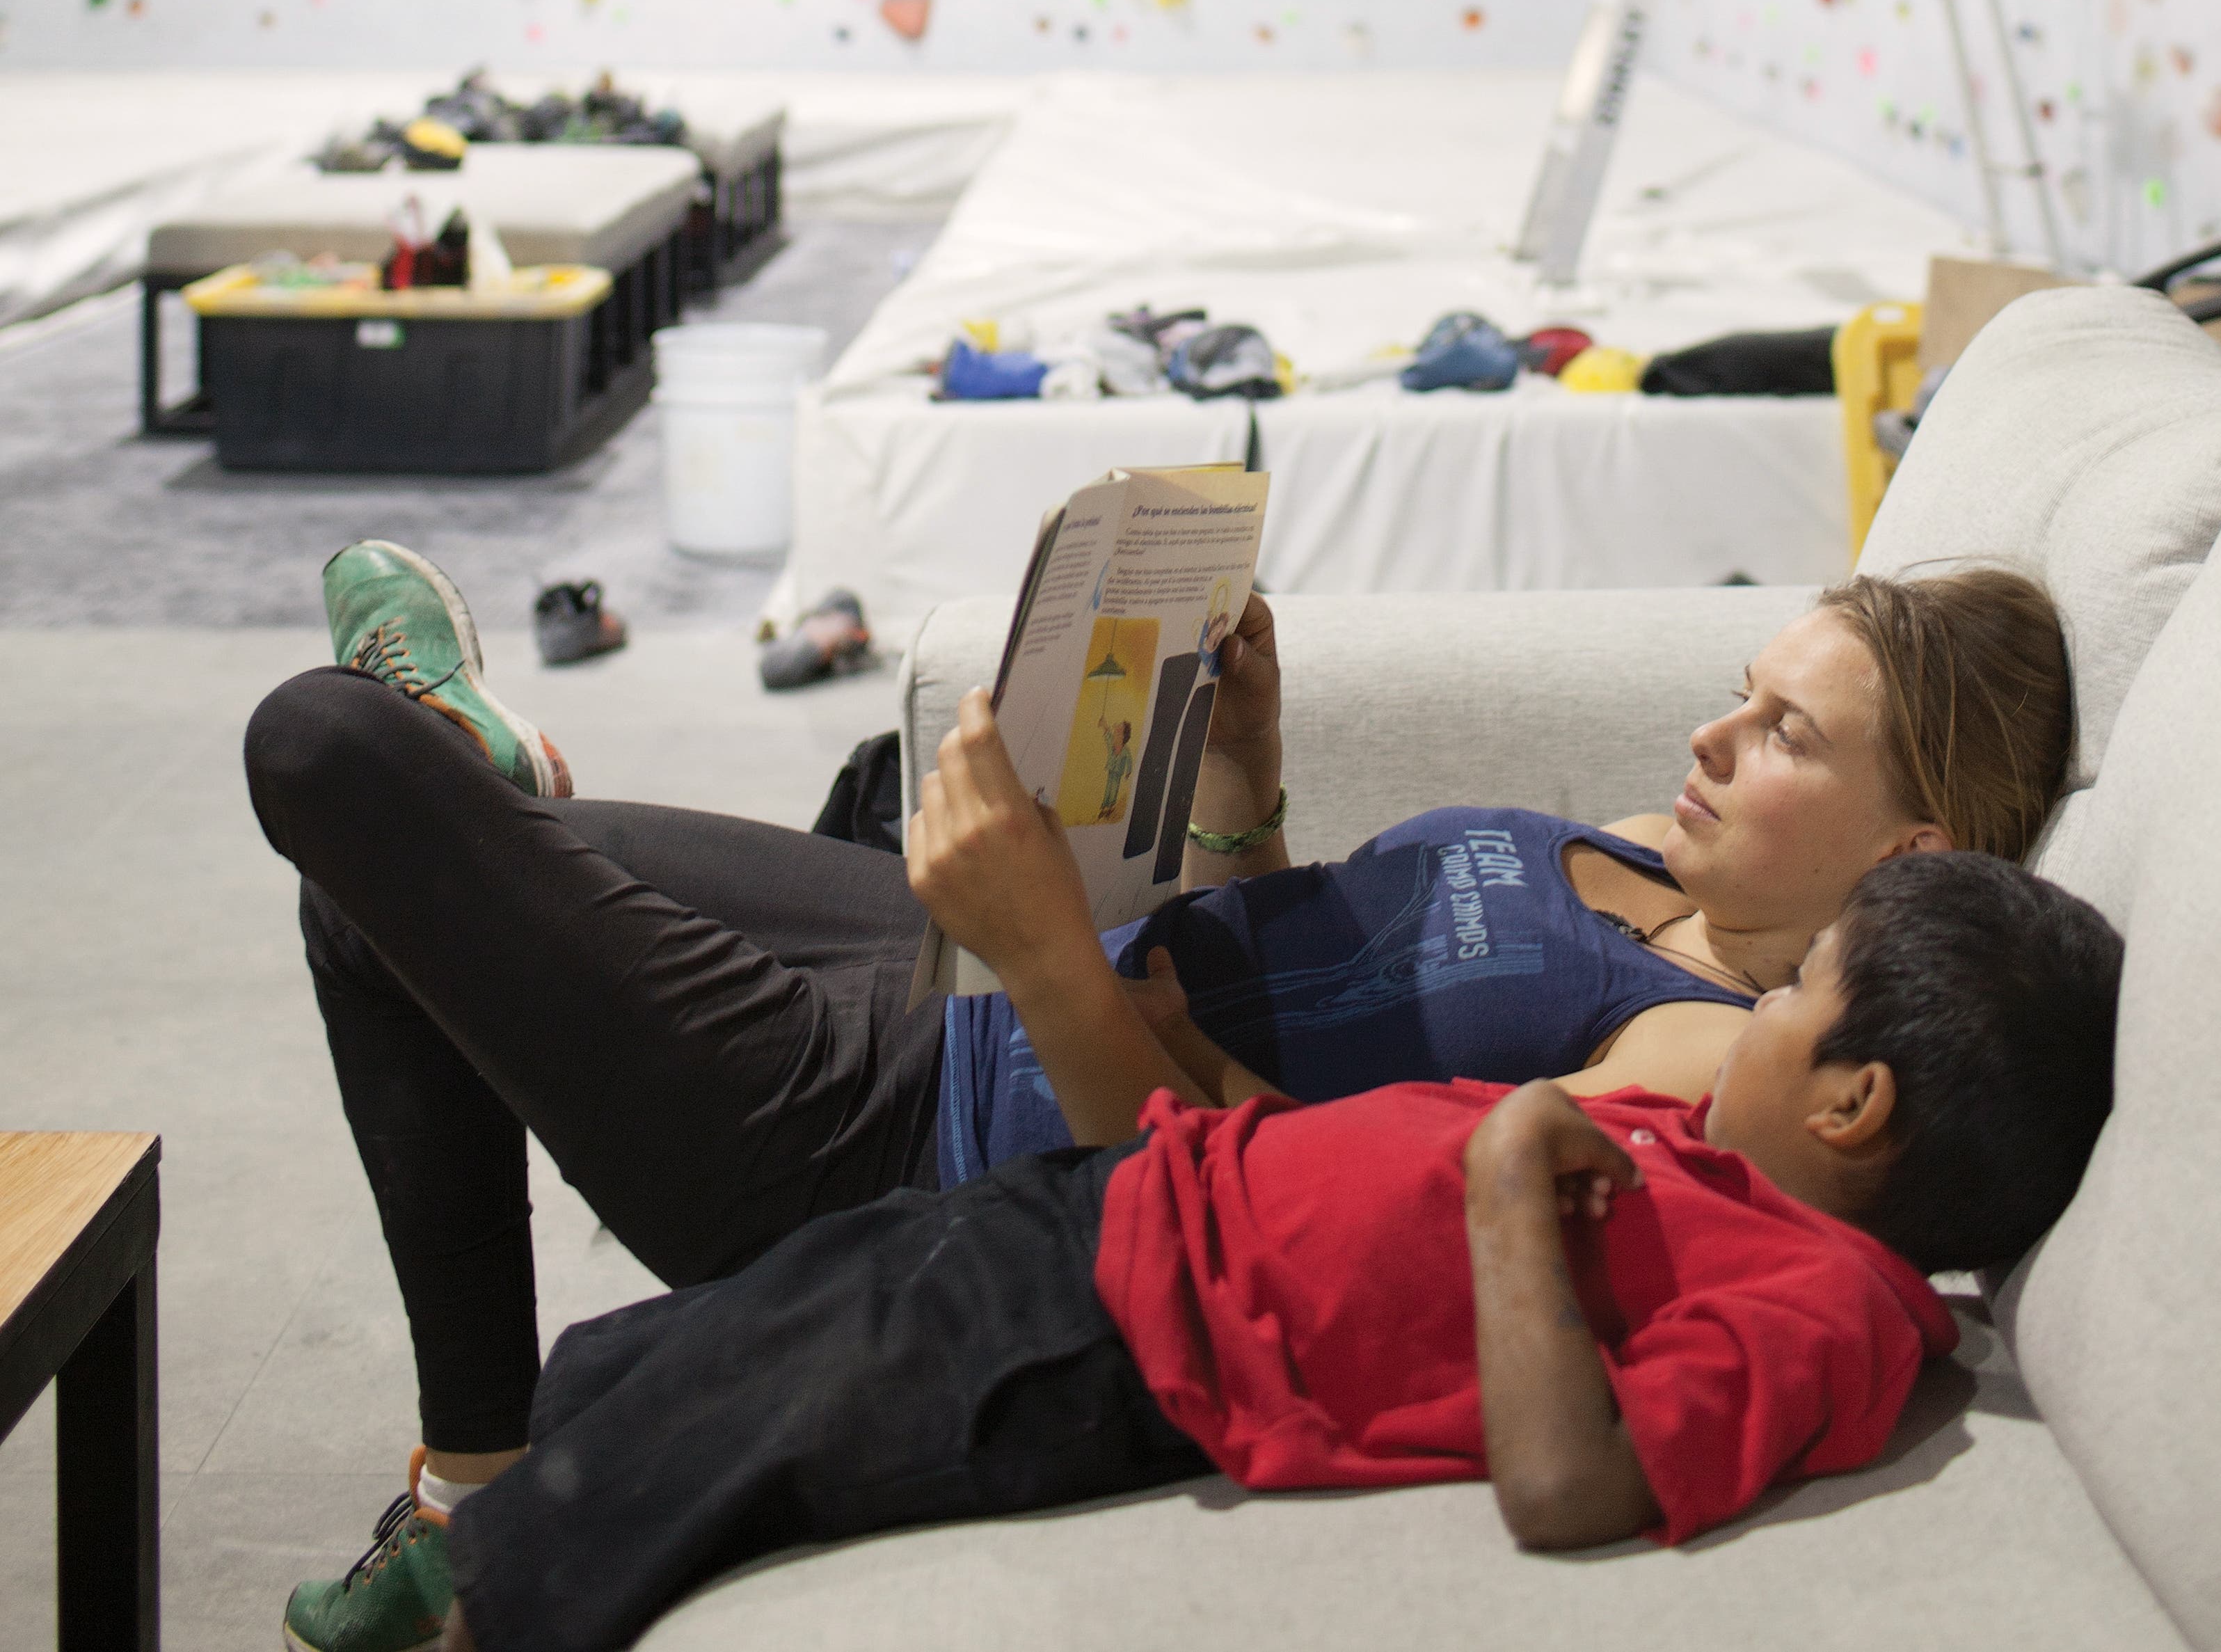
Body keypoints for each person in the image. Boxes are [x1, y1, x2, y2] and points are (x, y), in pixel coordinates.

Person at [252, 536, 2076, 1650]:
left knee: (329, 756)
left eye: (1783, 734)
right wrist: (1242, 784)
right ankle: (470, 1469)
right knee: (378, 897)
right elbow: (1306, 992)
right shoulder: (1659, 862)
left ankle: (451, 761)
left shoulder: (1692, 1067)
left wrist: (1053, 955)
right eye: (1741, 693)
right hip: (976, 975)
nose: (1709, 736)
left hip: (921, 1136)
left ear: (1906, 854)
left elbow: (1255, 1200)